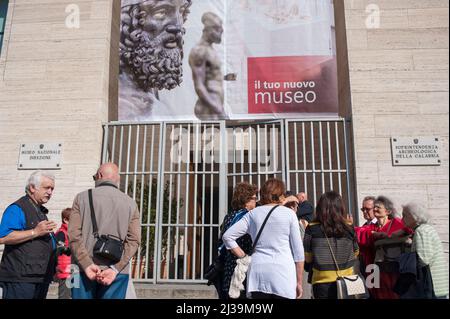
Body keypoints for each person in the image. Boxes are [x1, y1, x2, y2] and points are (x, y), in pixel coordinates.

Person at [222, 179, 304, 299]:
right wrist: (299, 282)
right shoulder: (289, 214)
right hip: (283, 274)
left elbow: (227, 236)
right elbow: (298, 253)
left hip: (258, 273)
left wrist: (243, 256)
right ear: (281, 194)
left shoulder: (253, 214)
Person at [69, 163, 141, 299]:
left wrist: (86, 263)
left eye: (94, 177)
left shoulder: (81, 198)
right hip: (117, 273)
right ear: (117, 179)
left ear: (100, 175)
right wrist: (115, 269)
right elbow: (134, 240)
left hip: (80, 269)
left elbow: (73, 235)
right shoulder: (131, 203)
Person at [119, 0, 193, 120]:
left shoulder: (162, 108)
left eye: (181, 12)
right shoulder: (123, 107)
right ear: (130, 22)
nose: (178, 26)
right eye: (162, 12)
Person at [0, 171, 57, 299]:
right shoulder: (17, 208)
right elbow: (3, 237)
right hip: (20, 278)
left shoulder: (39, 210)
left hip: (40, 276)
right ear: (32, 188)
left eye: (52, 189)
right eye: (46, 187)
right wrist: (35, 232)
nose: (50, 192)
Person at [303, 191, 359, 299]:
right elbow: (356, 252)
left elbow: (308, 257)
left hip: (321, 282)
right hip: (348, 280)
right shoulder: (349, 227)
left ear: (320, 208)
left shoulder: (312, 228)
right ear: (340, 208)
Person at [355, 196, 412, 299]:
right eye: (374, 207)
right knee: (375, 295)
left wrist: (399, 233)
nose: (375, 209)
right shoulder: (372, 227)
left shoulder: (396, 223)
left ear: (388, 211)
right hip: (373, 269)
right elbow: (358, 232)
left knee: (393, 294)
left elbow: (410, 230)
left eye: (377, 207)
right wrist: (373, 234)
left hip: (392, 270)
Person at [216, 182, 258, 299]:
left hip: (229, 265)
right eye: (254, 198)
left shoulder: (229, 216)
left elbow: (221, 241)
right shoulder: (249, 217)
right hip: (243, 267)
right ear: (246, 200)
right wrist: (244, 257)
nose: (256, 201)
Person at [402, 202, 448, 299]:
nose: (402, 219)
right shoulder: (427, 229)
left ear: (414, 216)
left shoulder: (421, 231)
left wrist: (405, 259)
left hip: (431, 287)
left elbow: (423, 259)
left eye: (404, 215)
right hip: (436, 286)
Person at [189, 12, 228, 120]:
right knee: (209, 136)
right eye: (217, 29)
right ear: (207, 29)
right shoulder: (199, 51)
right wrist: (218, 109)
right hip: (208, 108)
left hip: (216, 106)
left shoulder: (210, 50)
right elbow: (199, 86)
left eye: (221, 29)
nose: (221, 32)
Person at [54, 208, 73, 299]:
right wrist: (66, 248)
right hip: (65, 271)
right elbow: (58, 246)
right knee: (65, 296)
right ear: (65, 220)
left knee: (74, 295)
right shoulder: (61, 233)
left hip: (74, 270)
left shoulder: (72, 233)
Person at [358, 196, 377, 276]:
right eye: (363, 209)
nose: (364, 212)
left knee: (375, 286)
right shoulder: (365, 225)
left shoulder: (378, 224)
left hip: (375, 264)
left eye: (367, 209)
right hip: (365, 264)